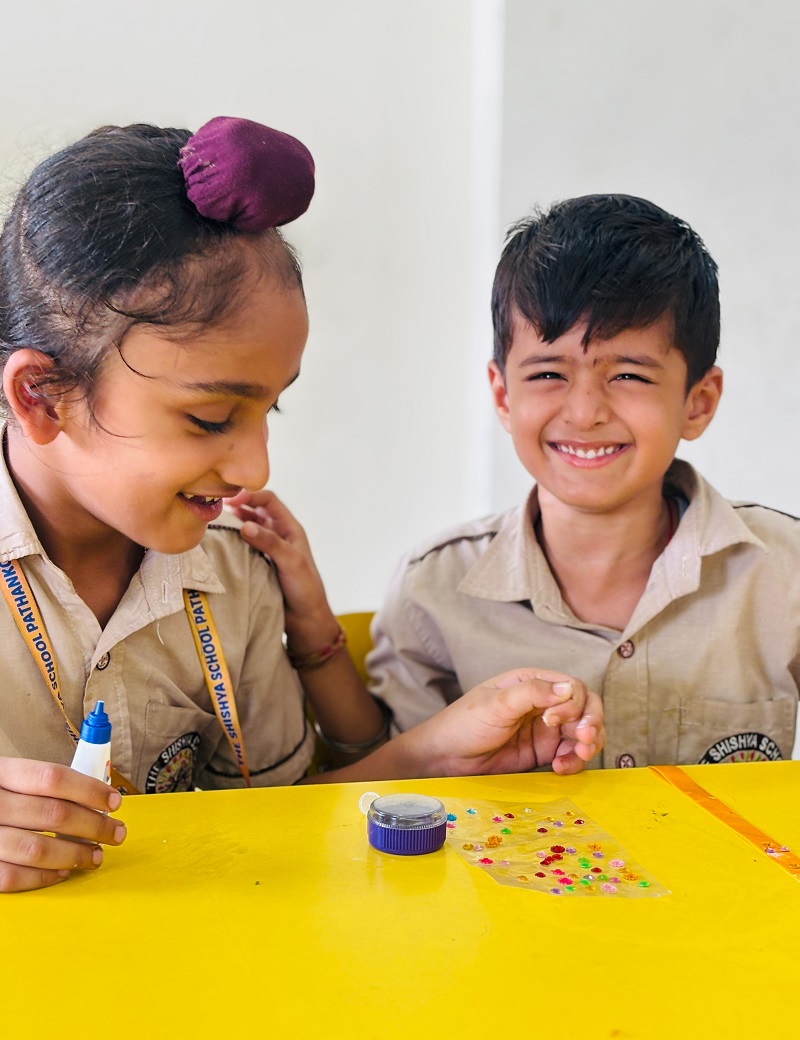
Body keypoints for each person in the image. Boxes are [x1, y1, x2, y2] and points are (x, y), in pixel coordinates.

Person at [0, 120, 603, 892]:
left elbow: (278, 821)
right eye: (211, 418)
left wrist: (435, 752)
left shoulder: (235, 574)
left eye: (270, 410)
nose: (255, 468)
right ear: (41, 396)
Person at [251, 194, 800, 772]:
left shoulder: (784, 572)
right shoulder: (435, 588)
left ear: (698, 402)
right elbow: (391, 780)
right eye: (547, 374)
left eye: (629, 376)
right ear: (502, 395)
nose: (584, 413)